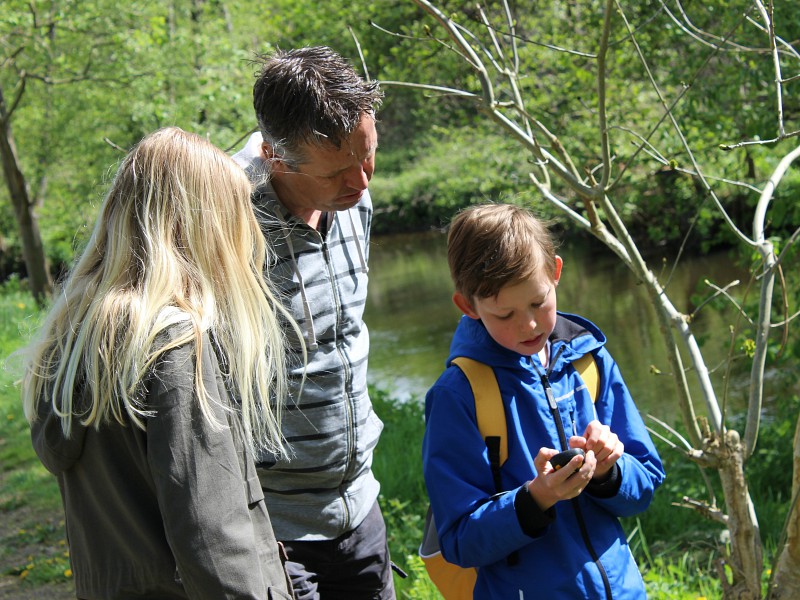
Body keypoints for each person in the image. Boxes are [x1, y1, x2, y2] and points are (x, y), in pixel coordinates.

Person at [21, 127, 297, 600]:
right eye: (233, 219)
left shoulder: (76, 330)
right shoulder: (172, 345)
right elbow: (212, 538)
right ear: (202, 226)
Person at [423, 203, 666, 599]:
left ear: (555, 272)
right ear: (469, 307)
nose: (529, 324)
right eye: (505, 314)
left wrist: (609, 472)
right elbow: (460, 541)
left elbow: (646, 483)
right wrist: (537, 498)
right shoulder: (459, 396)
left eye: (538, 302)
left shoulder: (588, 360)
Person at [232, 47, 394, 599]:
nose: (362, 183)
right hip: (274, 527)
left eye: (368, 158)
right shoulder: (225, 223)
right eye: (338, 172)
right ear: (276, 158)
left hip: (360, 505)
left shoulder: (353, 199)